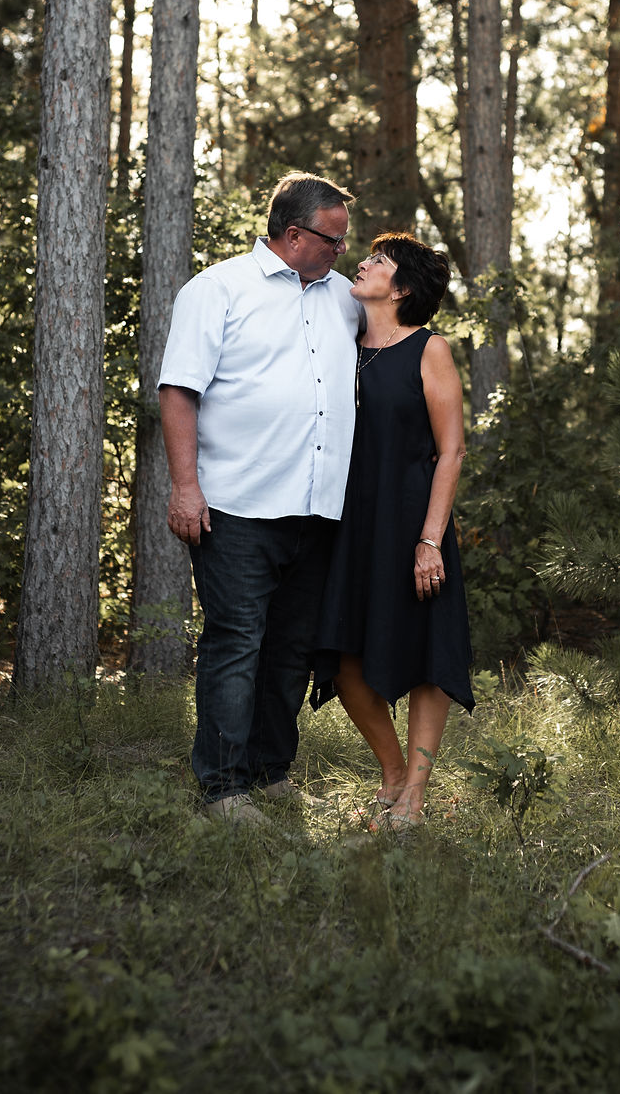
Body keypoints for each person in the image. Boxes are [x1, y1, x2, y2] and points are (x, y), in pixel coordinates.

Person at [158, 172, 362, 824]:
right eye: (333, 240)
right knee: (236, 644)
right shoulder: (216, 290)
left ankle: (271, 775)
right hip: (237, 507)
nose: (342, 253)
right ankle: (222, 789)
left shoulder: (343, 299)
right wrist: (186, 488)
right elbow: (179, 391)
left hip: (318, 509)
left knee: (290, 652)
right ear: (295, 233)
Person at [311, 233, 474, 829]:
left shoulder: (429, 350)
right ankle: (393, 771)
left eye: (379, 261)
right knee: (340, 654)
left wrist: (430, 541)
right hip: (348, 522)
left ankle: (415, 796)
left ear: (401, 287)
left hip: (411, 520)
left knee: (427, 652)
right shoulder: (342, 346)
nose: (364, 262)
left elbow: (451, 452)